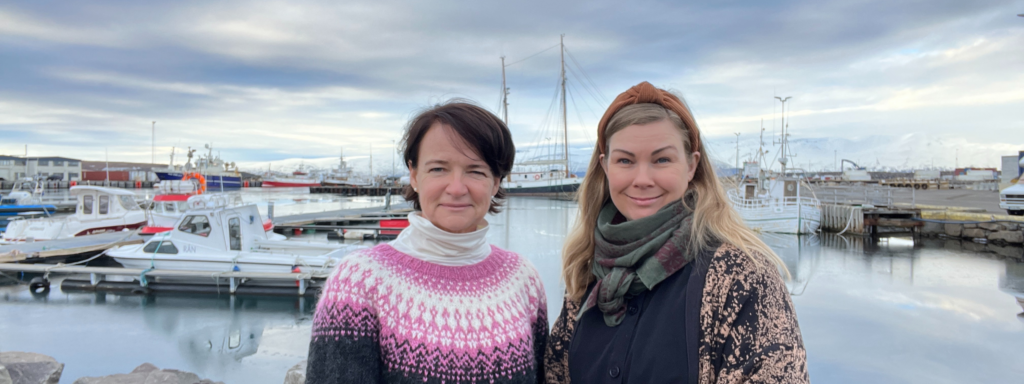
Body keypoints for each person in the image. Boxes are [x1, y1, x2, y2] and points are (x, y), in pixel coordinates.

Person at [544, 82, 808, 383]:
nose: (642, 179)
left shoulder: (743, 279)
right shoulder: (586, 272)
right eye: (625, 161)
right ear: (605, 167)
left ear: (691, 166)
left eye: (662, 160)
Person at [306, 101, 548, 383]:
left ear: (496, 183)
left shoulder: (522, 279)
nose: (456, 188)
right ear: (414, 175)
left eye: (476, 171)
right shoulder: (358, 283)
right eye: (438, 169)